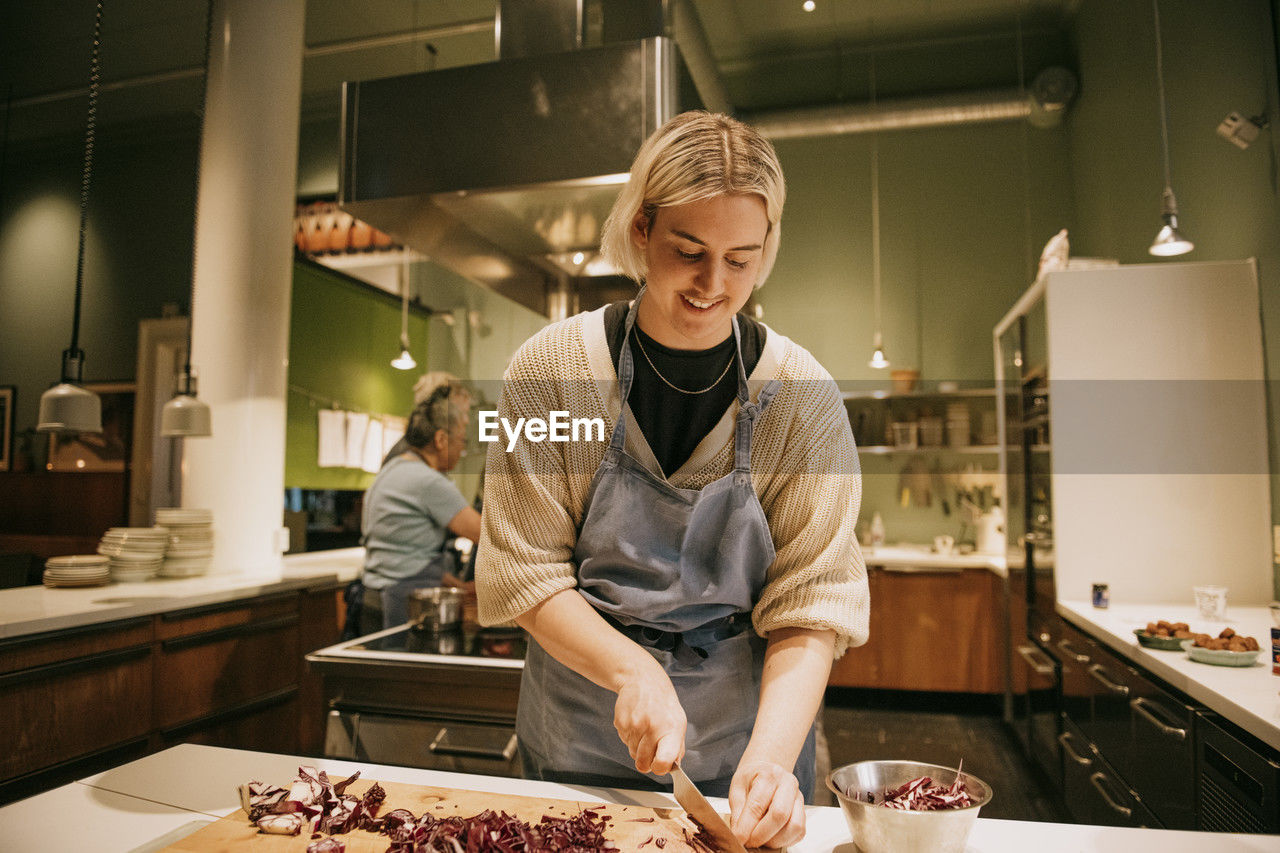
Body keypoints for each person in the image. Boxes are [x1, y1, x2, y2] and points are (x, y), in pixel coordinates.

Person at [475, 111, 867, 849]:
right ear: (642, 229)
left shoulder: (801, 400)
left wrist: (771, 761)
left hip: (745, 747)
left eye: (741, 259)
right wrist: (633, 671)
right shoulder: (550, 375)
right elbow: (524, 572)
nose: (713, 285)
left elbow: (812, 601)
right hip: (577, 746)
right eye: (689, 250)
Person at [359, 379, 482, 634]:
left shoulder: (393, 468)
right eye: (461, 440)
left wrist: (453, 583)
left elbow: (404, 553)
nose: (461, 450)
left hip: (372, 599)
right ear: (440, 439)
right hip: (401, 605)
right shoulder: (429, 482)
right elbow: (490, 536)